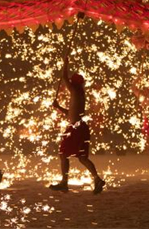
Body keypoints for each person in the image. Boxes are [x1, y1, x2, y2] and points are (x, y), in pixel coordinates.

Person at [49, 50, 105, 194]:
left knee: (63, 154)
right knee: (82, 157)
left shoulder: (74, 90)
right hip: (81, 127)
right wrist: (58, 107)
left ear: (74, 83)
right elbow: (71, 113)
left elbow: (64, 77)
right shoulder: (79, 93)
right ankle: (97, 179)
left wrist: (65, 63)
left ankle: (64, 182)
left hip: (76, 128)